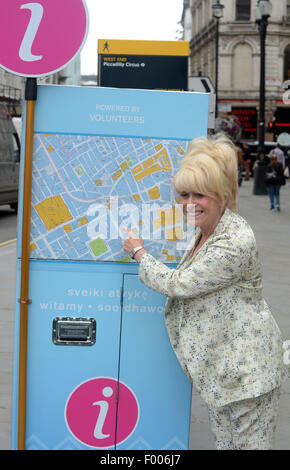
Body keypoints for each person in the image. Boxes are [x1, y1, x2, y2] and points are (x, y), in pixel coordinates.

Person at [123, 134, 287, 450]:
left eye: (199, 195)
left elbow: (178, 284)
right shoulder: (208, 231)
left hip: (248, 376)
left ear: (222, 196)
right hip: (224, 373)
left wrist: (139, 253)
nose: (188, 204)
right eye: (183, 194)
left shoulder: (233, 242)